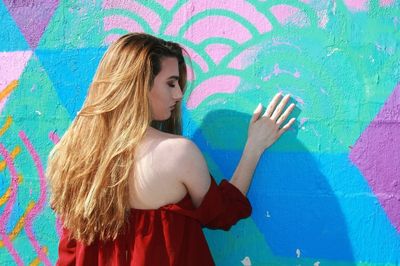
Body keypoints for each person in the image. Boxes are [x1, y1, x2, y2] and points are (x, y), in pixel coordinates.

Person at [46, 33, 296, 266]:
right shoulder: (178, 153)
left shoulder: (71, 154)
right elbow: (223, 214)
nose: (178, 94)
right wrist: (254, 147)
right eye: (171, 83)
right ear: (139, 85)